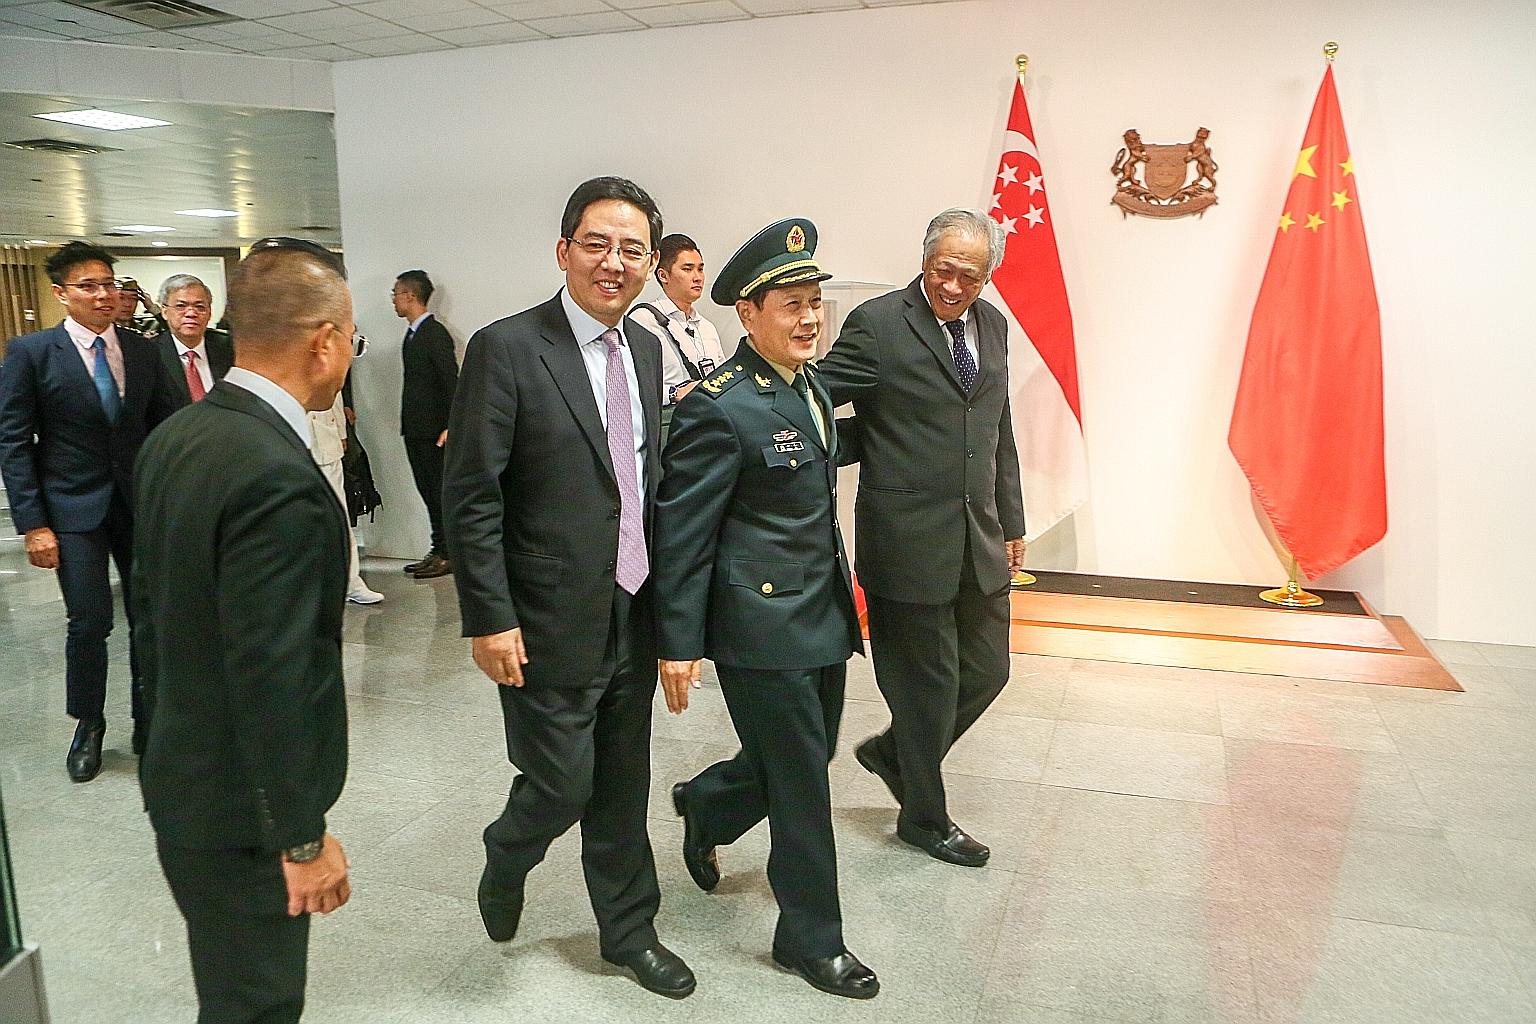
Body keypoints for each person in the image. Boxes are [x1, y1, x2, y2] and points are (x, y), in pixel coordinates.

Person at [442, 176, 694, 999]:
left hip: (633, 607)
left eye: (632, 250)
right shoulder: (508, 347)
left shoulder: (647, 348)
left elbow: (643, 483)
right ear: (563, 251)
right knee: (563, 781)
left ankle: (629, 932)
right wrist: (490, 616)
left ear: (649, 263)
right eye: (598, 244)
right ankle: (508, 848)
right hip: (544, 616)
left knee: (623, 784)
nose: (614, 263)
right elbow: (473, 492)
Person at [132, 237, 357, 1024]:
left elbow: (154, 623)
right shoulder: (275, 477)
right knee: (257, 1005)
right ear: (323, 341)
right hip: (241, 813)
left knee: (229, 995)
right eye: (351, 341)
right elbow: (275, 672)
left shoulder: (179, 438)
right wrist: (300, 837)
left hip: (182, 778)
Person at [655, 219, 877, 999]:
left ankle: (707, 803)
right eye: (790, 303)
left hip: (821, 615)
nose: (810, 317)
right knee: (805, 789)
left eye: (815, 301)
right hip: (759, 624)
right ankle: (811, 940)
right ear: (747, 315)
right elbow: (683, 531)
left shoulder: (809, 384)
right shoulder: (718, 406)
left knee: (801, 762)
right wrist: (677, 641)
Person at [817, 209, 1026, 868]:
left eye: (972, 276)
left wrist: (1012, 521)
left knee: (990, 670)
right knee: (926, 691)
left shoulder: (992, 326)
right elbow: (815, 398)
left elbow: (998, 428)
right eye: (946, 270)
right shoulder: (878, 325)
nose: (956, 287)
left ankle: (892, 754)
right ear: (926, 258)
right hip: (907, 544)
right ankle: (924, 819)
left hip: (979, 536)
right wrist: (856, 444)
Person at [0, 241, 180, 781]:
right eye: (88, 286)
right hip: (71, 509)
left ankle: (150, 720)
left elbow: (163, 426)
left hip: (137, 505)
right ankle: (89, 724)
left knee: (150, 616)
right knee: (89, 621)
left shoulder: (143, 349)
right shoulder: (31, 353)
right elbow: (13, 442)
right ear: (61, 295)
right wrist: (33, 524)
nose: (104, 295)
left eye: (109, 284)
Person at [392, 269, 458, 580]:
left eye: (396, 294)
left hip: (435, 432)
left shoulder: (435, 334)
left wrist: (449, 425)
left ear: (410, 296)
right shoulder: (412, 334)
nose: (394, 300)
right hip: (416, 428)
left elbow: (451, 382)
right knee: (427, 490)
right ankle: (438, 548)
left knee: (438, 490)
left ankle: (448, 553)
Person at [636, 234, 726, 408]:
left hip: (711, 421)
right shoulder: (644, 320)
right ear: (663, 276)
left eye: (700, 269)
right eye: (687, 269)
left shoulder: (707, 327)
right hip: (669, 423)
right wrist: (673, 393)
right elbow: (629, 384)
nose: (698, 277)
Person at [310, 390, 384, 604]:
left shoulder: (324, 357)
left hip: (325, 442)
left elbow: (333, 389)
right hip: (291, 443)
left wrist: (342, 432)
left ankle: (351, 582)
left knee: (339, 515)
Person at [150, 273, 233, 405]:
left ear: (209, 312)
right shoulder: (149, 353)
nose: (191, 313)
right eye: (181, 306)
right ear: (164, 312)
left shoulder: (230, 348)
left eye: (200, 307)